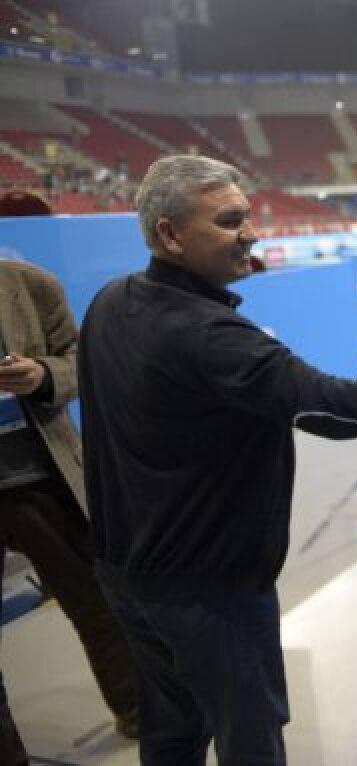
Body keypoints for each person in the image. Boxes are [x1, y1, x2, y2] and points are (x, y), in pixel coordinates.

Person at [77, 155, 357, 765]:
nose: (252, 234)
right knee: (250, 742)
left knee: (172, 733)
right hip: (207, 593)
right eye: (230, 221)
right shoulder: (210, 337)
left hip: (127, 578)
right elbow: (336, 410)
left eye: (248, 216)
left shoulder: (110, 302)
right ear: (170, 234)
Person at [0, 190, 140, 765]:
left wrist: (41, 374)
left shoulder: (29, 285)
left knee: (97, 603)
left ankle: (138, 709)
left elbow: (79, 361)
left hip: (39, 478)